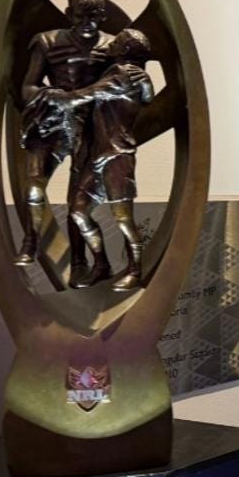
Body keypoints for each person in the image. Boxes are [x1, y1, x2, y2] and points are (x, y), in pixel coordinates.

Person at [17, 0, 112, 283]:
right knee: (34, 187)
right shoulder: (47, 42)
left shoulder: (111, 46)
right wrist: (52, 95)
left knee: (78, 203)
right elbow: (28, 87)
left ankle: (81, 262)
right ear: (69, 15)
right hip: (52, 124)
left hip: (90, 128)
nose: (87, 22)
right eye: (81, 15)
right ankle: (31, 240)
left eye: (94, 16)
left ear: (102, 17)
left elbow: (118, 89)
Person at [65, 28, 155, 291]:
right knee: (79, 211)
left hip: (117, 156)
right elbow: (147, 97)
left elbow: (83, 96)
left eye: (116, 41)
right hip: (100, 156)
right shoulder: (127, 73)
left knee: (123, 218)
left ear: (125, 50)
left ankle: (136, 270)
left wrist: (50, 96)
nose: (110, 43)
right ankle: (102, 264)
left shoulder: (123, 73)